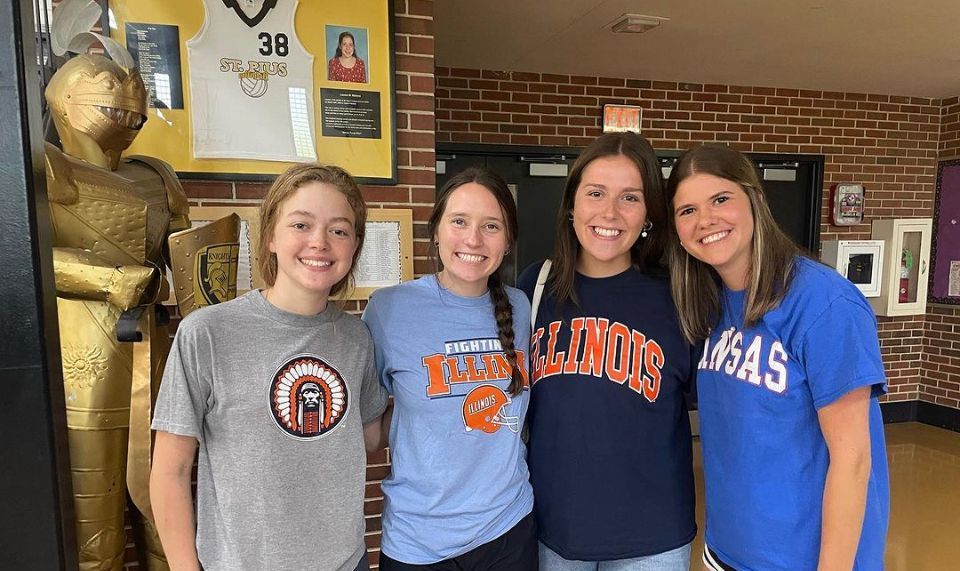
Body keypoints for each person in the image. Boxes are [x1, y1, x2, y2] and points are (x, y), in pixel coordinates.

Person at [149, 163, 389, 571]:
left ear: (354, 247)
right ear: (271, 237)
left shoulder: (356, 338)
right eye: (301, 225)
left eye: (339, 230)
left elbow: (369, 437)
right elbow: (170, 471)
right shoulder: (207, 333)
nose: (320, 242)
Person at [665, 144, 889, 571]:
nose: (706, 220)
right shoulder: (708, 303)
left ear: (756, 199)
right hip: (727, 551)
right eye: (687, 210)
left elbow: (854, 460)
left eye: (721, 199)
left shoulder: (824, 302)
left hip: (805, 560)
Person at [516, 132, 696, 570]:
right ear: (572, 204)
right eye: (595, 193)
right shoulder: (534, 287)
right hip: (553, 530)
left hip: (654, 537)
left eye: (630, 197)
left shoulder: (680, 294)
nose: (610, 213)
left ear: (649, 212)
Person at [362, 168, 537, 570]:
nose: (473, 239)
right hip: (419, 541)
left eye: (491, 226)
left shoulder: (521, 307)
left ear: (508, 241)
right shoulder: (389, 310)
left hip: (509, 526)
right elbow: (371, 431)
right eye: (459, 221)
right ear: (436, 230)